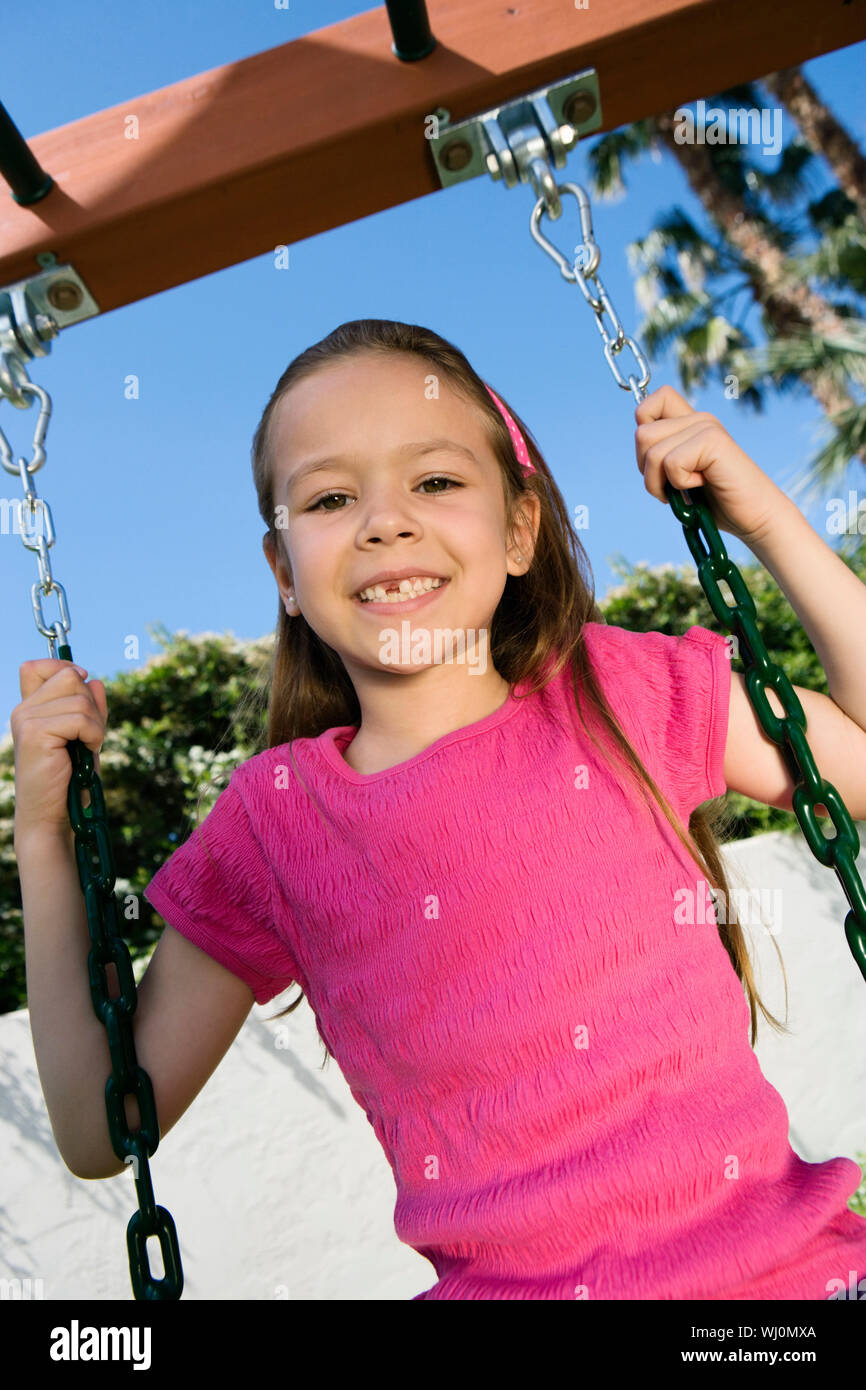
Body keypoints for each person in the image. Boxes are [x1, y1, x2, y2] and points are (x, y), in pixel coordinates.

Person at [13, 318, 866, 1301]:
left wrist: (761, 518)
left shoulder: (616, 692)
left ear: (519, 530)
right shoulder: (278, 823)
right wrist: (43, 833)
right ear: (284, 573)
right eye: (332, 498)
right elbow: (105, 1126)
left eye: (434, 480)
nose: (385, 522)